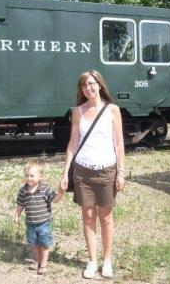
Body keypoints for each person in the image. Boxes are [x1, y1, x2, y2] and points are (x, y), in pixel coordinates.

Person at [59, 70, 125, 279]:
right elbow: (72, 143)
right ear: (81, 89)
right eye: (85, 85)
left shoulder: (112, 110)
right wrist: (64, 173)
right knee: (88, 216)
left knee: (106, 217)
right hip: (83, 171)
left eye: (92, 84)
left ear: (99, 85)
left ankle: (107, 261)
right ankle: (92, 260)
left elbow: (119, 143)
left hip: (106, 170)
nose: (89, 88)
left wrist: (121, 172)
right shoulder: (77, 111)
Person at [14, 160, 64, 275]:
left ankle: (44, 264)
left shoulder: (45, 189)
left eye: (32, 175)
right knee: (33, 244)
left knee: (44, 243)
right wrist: (17, 215)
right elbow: (20, 204)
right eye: (27, 175)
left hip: (43, 223)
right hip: (30, 223)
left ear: (40, 176)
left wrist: (60, 193)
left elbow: (55, 200)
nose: (29, 178)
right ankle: (37, 261)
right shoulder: (23, 191)